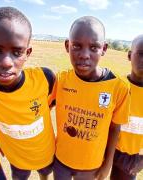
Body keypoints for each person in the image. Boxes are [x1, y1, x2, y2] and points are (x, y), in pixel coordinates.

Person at [0, 6, 55, 180]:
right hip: (15, 157)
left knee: (45, 174)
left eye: (17, 52)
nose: (6, 62)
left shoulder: (46, 78)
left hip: (46, 152)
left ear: (27, 52)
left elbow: (50, 104)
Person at [49, 16, 130, 180]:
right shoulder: (61, 80)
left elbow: (115, 128)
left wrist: (108, 163)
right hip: (61, 160)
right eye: (76, 46)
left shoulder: (118, 87)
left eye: (94, 47)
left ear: (104, 48)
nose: (84, 55)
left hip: (91, 166)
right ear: (67, 46)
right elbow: (39, 109)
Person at [110, 35, 143, 180]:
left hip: (132, 157)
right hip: (107, 148)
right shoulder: (117, 85)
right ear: (130, 56)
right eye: (141, 54)